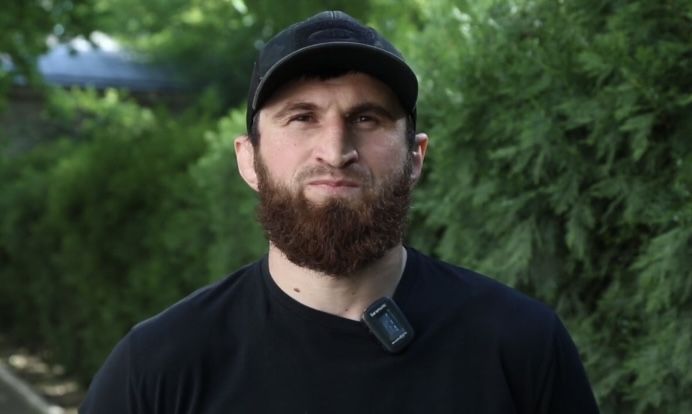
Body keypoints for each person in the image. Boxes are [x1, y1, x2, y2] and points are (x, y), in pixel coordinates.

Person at [80, 10, 600, 414]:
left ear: (415, 157)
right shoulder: (158, 367)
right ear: (248, 159)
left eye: (367, 118)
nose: (335, 150)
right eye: (301, 117)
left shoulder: (521, 345)